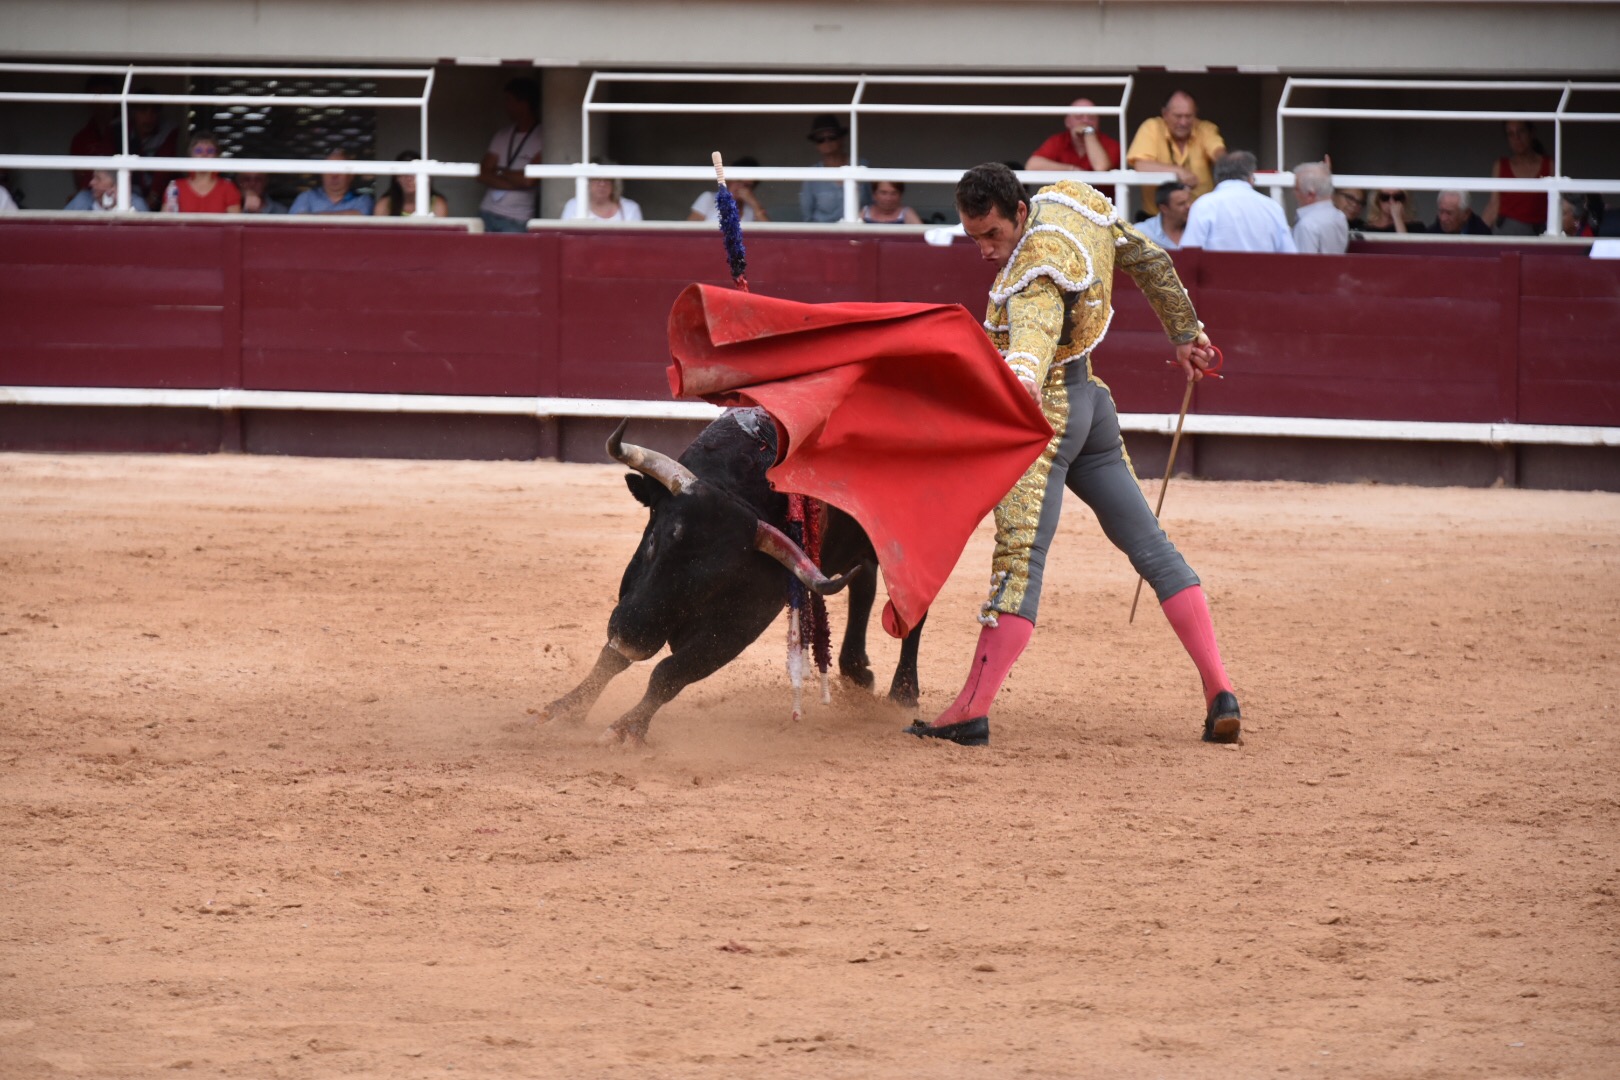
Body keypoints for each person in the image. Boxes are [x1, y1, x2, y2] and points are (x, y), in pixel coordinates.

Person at [905, 162, 1240, 748]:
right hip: (1092, 404)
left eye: (993, 236)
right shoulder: (1074, 201)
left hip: (1047, 417)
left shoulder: (1033, 273)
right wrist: (1186, 334)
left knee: (1019, 560)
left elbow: (1032, 339)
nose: (986, 250)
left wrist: (1022, 380)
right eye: (974, 238)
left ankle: (969, 711)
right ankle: (1220, 691)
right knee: (1152, 547)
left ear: (1019, 213)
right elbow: (1152, 260)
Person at [1125, 91, 1226, 216]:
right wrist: (1178, 171)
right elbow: (1141, 166)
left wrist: (1226, 163)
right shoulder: (1152, 127)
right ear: (1165, 114)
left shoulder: (1205, 129)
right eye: (1178, 116)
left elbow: (1219, 154)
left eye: (1189, 116)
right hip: (1157, 218)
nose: (1183, 122)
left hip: (1200, 218)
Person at [1180, 150, 1297, 253]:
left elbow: (1189, 252)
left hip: (1218, 276)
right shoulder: (1272, 207)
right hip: (1262, 276)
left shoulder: (1203, 205)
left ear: (1217, 177)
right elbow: (1289, 255)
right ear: (1251, 177)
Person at [1025, 97, 1122, 203]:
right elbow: (1032, 165)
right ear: (1068, 122)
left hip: (1101, 209)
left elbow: (1101, 167)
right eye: (1079, 117)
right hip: (1063, 205)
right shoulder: (1059, 140)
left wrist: (1088, 133)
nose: (1085, 121)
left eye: (1091, 118)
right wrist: (1072, 170)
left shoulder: (1111, 144)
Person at [477, 77, 542, 234]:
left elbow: (528, 180)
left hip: (517, 219)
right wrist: (515, 181)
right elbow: (482, 174)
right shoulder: (503, 134)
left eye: (509, 100)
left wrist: (499, 171)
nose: (506, 106)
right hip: (487, 211)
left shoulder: (543, 137)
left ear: (524, 104)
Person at [1483, 120, 1553, 236]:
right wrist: (1474, 234)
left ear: (1531, 133)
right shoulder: (1501, 165)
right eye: (1511, 134)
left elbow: (1558, 206)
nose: (1517, 138)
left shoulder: (1549, 165)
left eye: (1521, 131)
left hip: (1538, 234)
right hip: (1505, 231)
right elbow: (1493, 206)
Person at [800, 114, 867, 223]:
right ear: (816, 145)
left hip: (856, 231)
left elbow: (871, 205)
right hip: (824, 234)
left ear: (841, 139)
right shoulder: (812, 175)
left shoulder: (861, 165)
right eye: (820, 139)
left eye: (832, 137)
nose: (827, 142)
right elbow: (807, 216)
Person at [125, 90, 181, 211]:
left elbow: (164, 167)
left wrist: (153, 197)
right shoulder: (118, 128)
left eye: (154, 112)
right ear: (133, 113)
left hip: (160, 194)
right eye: (143, 110)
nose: (149, 117)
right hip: (127, 192)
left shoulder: (167, 131)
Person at [161, 134, 241, 214]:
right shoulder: (175, 187)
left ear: (217, 156)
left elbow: (235, 224)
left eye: (210, 151)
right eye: (198, 151)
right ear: (190, 156)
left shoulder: (228, 187)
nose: (204, 155)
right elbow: (166, 222)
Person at [68, 74, 121, 193]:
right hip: (91, 194)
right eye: (96, 96)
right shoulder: (80, 139)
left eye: (106, 94)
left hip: (123, 192)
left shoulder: (128, 132)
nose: (102, 102)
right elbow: (80, 182)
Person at [289, 149, 374, 215]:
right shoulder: (307, 197)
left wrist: (312, 216)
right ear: (322, 173)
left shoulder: (362, 200)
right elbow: (295, 222)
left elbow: (359, 217)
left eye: (340, 169)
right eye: (329, 169)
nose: (334, 175)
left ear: (351, 176)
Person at [1291, 160, 1349, 254]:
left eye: (1296, 189)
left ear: (1310, 194)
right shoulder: (1339, 216)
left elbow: (1302, 265)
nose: (1294, 193)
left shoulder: (1307, 225)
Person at [689, 156, 768, 222]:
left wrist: (755, 204)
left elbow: (771, 233)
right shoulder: (709, 198)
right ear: (729, 180)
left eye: (747, 185)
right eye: (738, 181)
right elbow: (688, 231)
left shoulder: (751, 209)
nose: (741, 187)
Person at [559, 162, 643, 222]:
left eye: (607, 180)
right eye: (596, 179)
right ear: (588, 183)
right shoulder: (574, 205)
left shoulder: (630, 208)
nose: (602, 184)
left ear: (614, 184)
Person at [374, 151, 449, 217]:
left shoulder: (437, 204)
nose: (409, 178)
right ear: (396, 178)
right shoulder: (385, 205)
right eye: (404, 173)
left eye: (413, 173)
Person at [1136, 180, 1191, 250]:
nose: (1189, 206)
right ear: (1164, 208)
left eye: (1189, 201)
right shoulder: (1141, 233)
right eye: (1181, 204)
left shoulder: (1198, 229)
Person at [65, 169, 149, 212]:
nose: (91, 183)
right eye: (93, 177)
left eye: (98, 179)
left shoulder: (136, 204)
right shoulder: (82, 200)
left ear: (115, 185)